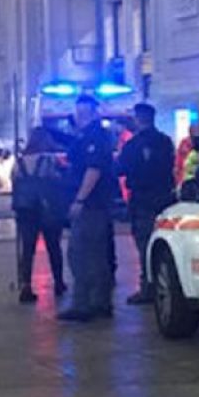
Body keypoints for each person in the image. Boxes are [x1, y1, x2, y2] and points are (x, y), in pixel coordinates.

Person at [58, 96, 116, 322]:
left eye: (84, 113)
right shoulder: (86, 136)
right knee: (95, 255)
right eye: (78, 113)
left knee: (82, 254)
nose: (80, 117)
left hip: (91, 205)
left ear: (94, 113)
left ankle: (85, 304)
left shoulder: (95, 137)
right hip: (93, 204)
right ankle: (99, 302)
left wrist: (79, 200)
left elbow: (94, 170)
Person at [117, 102, 175, 305]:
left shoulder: (133, 145)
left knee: (144, 244)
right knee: (162, 242)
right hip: (163, 199)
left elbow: (120, 169)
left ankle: (148, 287)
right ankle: (162, 282)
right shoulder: (166, 141)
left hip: (142, 200)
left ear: (138, 119)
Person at [13, 127, 66, 303]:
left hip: (25, 210)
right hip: (47, 209)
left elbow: (15, 182)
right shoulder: (48, 160)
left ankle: (26, 285)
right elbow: (57, 180)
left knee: (27, 249)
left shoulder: (19, 162)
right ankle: (58, 282)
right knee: (53, 247)